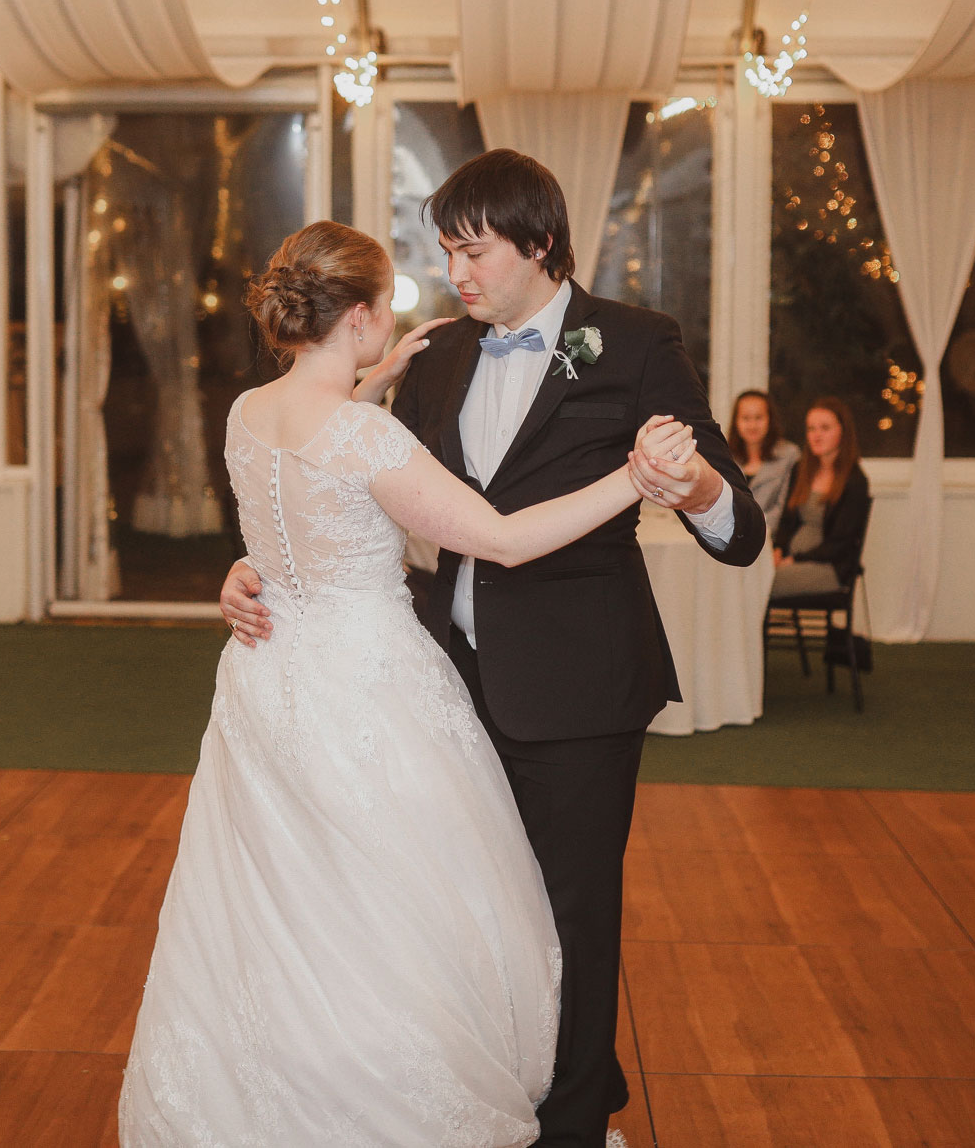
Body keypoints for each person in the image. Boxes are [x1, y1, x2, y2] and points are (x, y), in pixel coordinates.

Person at [220, 150, 764, 1147]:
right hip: (432, 688)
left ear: (540, 244)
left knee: (568, 922)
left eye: (472, 251)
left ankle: (567, 1128)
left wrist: (682, 484)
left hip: (575, 688)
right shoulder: (436, 358)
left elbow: (735, 525)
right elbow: (334, 480)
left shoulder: (635, 345)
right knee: (459, 918)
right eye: (444, 252)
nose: (456, 273)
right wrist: (256, 569)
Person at [121, 220, 690, 1144]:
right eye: (389, 302)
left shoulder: (246, 414)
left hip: (268, 685)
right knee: (401, 915)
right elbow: (502, 539)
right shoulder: (366, 443)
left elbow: (291, 505)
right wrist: (635, 476)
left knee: (287, 903)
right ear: (361, 314)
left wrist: (363, 385)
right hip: (368, 695)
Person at [771, 397, 870, 598]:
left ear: (843, 431)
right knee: (747, 572)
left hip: (829, 567)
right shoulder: (801, 469)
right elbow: (787, 521)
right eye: (811, 429)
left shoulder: (855, 482)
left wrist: (796, 559)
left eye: (825, 428)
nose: (816, 436)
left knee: (761, 581)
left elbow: (841, 543)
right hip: (792, 561)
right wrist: (778, 550)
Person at [727, 387, 801, 532]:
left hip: (771, 539)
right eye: (746, 418)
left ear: (770, 419)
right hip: (729, 536)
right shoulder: (726, 456)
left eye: (759, 417)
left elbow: (784, 509)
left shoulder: (789, 456)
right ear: (736, 421)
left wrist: (753, 532)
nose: (752, 425)